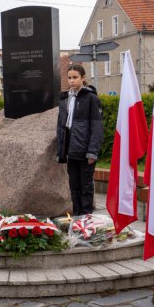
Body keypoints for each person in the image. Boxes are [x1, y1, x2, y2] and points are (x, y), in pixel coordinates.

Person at [56, 64, 104, 216]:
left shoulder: (91, 98)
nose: (72, 81)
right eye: (69, 78)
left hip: (85, 150)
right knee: (74, 185)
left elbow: (96, 127)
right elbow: (61, 125)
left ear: (83, 78)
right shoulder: (65, 98)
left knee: (86, 185)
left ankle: (86, 217)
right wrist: (61, 149)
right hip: (70, 149)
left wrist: (92, 152)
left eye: (75, 77)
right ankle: (77, 217)